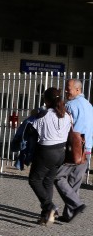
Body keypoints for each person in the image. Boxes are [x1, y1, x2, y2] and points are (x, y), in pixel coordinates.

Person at [28, 87, 70, 225]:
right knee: (48, 182)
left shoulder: (43, 115)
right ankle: (46, 216)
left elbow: (30, 128)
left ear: (46, 100)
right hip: (60, 153)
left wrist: (34, 113)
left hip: (46, 152)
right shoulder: (67, 115)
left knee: (34, 180)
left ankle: (49, 206)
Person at [54, 78, 92, 222]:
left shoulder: (70, 106)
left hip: (73, 150)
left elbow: (64, 127)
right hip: (87, 149)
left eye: (68, 88)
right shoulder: (90, 106)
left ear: (77, 90)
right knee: (74, 182)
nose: (65, 90)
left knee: (57, 176)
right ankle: (69, 214)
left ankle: (77, 204)